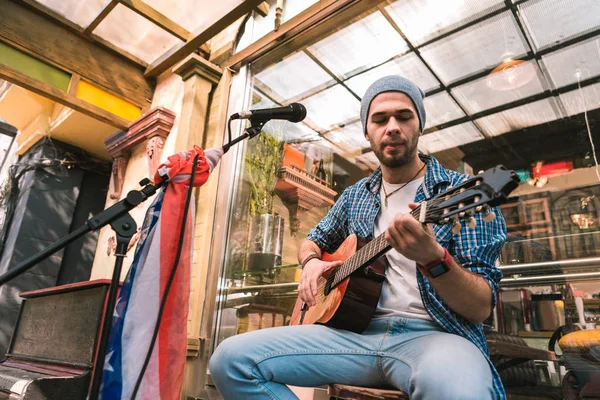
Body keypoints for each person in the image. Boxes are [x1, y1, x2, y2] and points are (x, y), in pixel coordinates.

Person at [209, 75, 508, 400]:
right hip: (353, 336)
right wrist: (310, 262)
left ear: (420, 124)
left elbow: (479, 309)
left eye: (403, 116)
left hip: (435, 337)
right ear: (367, 132)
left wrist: (433, 258)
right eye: (379, 119)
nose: (391, 127)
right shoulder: (356, 196)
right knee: (231, 360)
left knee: (463, 392)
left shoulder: (457, 191)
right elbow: (313, 240)